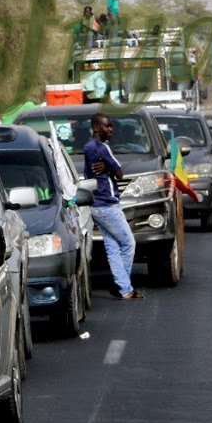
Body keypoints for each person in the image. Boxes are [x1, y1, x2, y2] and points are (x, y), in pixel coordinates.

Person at [84, 114, 142, 300]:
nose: (111, 130)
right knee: (128, 243)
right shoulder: (101, 148)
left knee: (113, 246)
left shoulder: (88, 147)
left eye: (111, 126)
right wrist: (109, 167)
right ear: (96, 127)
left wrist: (107, 167)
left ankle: (122, 287)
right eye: (107, 126)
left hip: (97, 205)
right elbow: (120, 174)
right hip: (107, 205)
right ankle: (122, 286)